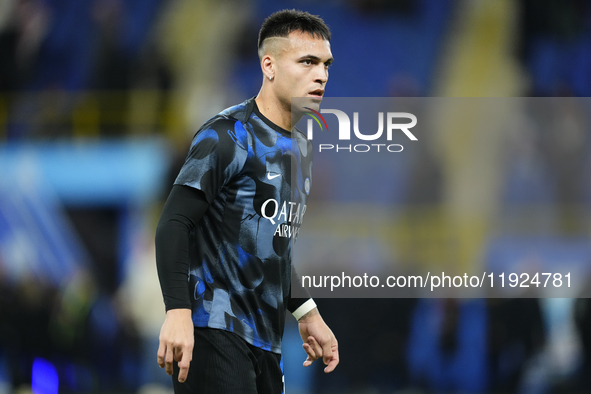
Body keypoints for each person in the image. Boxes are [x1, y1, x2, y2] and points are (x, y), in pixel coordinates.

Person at [154, 9, 338, 394]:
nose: (320, 74)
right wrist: (177, 311)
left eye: (325, 64)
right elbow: (174, 223)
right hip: (213, 332)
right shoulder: (227, 135)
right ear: (268, 65)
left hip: (266, 343)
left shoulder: (299, 153)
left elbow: (274, 248)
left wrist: (307, 312)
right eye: (306, 61)